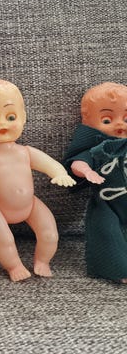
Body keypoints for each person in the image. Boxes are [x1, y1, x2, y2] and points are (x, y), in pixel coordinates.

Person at [0, 79, 75, 281]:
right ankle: (14, 266)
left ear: (23, 117)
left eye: (10, 117)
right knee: (5, 240)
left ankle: (42, 261)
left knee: (50, 234)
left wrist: (59, 174)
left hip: (31, 205)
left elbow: (49, 163)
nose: (2, 124)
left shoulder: (26, 152)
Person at [63, 82, 127, 282]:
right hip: (107, 204)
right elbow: (77, 163)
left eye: (126, 118)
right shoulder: (98, 149)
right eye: (107, 120)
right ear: (88, 123)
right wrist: (86, 171)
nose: (120, 124)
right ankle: (119, 270)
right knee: (107, 233)